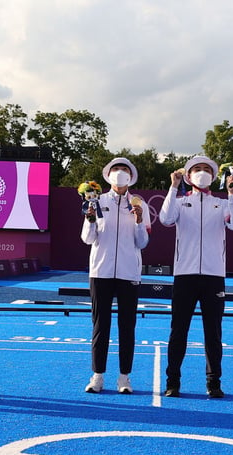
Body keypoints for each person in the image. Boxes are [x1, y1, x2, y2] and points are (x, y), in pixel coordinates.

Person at [159, 156, 233, 398]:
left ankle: (213, 382)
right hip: (184, 275)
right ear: (188, 175)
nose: (202, 172)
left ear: (214, 177)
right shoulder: (178, 201)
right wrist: (173, 187)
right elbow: (165, 219)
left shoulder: (222, 203)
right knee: (178, 332)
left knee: (213, 332)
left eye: (207, 169)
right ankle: (172, 382)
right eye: (197, 169)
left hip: (214, 276)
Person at [81, 157, 151, 394]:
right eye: (116, 169)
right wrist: (90, 218)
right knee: (101, 325)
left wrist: (139, 220)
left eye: (124, 170)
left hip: (129, 272)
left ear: (131, 176)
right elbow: (88, 239)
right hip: (100, 271)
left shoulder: (139, 203)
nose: (120, 173)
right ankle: (97, 376)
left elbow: (142, 242)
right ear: (108, 175)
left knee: (127, 326)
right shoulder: (97, 201)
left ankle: (124, 377)